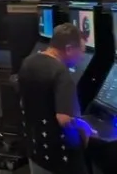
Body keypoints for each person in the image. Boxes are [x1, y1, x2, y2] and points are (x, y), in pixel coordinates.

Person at [18, 23, 95, 174]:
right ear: (69, 49)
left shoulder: (28, 61)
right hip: (59, 158)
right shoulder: (61, 73)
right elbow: (64, 119)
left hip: (36, 149)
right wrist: (84, 127)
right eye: (81, 51)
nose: (82, 57)